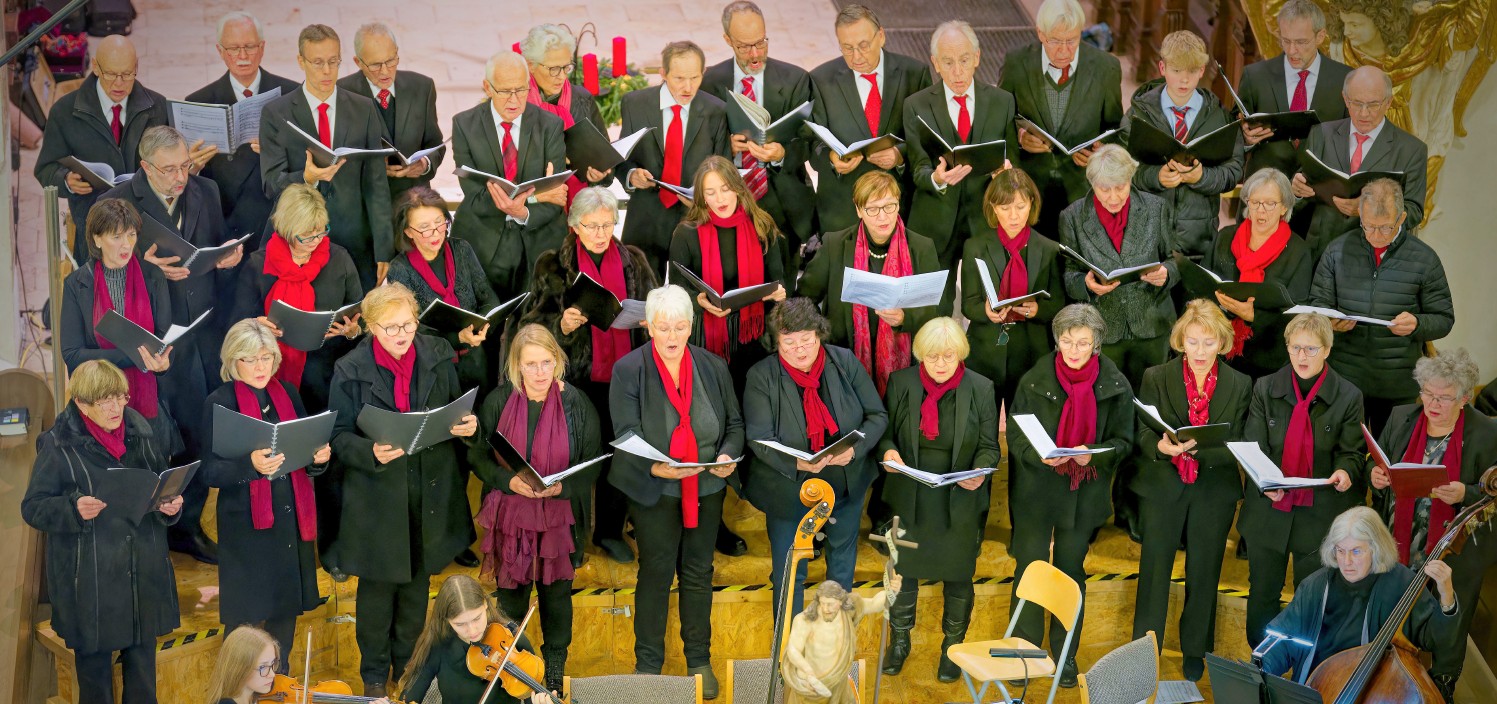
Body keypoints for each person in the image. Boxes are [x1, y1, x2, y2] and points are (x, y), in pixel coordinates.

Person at [325, 283, 480, 697]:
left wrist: (468, 427)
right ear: (371, 326)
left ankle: (409, 670)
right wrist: (370, 451)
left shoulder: (437, 354)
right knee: (376, 600)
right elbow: (338, 436)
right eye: (391, 327)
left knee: (416, 593)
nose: (402, 334)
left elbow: (456, 409)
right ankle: (375, 675)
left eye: (409, 324)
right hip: (377, 496)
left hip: (427, 491)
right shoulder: (349, 369)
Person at [21, 360, 184, 704]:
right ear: (80, 403)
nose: (115, 408)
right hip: (92, 584)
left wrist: (170, 505)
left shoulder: (142, 432)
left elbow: (157, 486)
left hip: (142, 574)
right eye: (103, 401)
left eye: (120, 397)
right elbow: (33, 506)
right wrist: (72, 508)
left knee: (143, 685)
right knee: (95, 689)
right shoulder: (56, 444)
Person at [609, 285, 743, 698]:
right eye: (663, 327)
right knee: (656, 572)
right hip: (654, 490)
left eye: (680, 327)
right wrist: (653, 465)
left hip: (706, 486)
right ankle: (648, 664)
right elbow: (625, 432)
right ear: (649, 327)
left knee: (699, 573)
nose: (671, 337)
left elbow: (735, 427)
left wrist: (725, 456)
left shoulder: (713, 366)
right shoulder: (629, 369)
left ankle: (698, 660)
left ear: (692, 326)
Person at [102, 128, 233, 535]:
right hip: (154, 336)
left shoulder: (206, 191)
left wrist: (225, 257)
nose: (181, 177)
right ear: (144, 167)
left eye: (186, 166)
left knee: (199, 428)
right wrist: (143, 265)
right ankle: (157, 523)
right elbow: (93, 267)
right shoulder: (116, 203)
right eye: (170, 169)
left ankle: (188, 525)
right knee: (160, 432)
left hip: (204, 329)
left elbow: (211, 244)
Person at [518, 186, 658, 565]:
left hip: (627, 376)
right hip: (576, 381)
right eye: (591, 226)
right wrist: (561, 324)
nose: (600, 233)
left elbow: (656, 308)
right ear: (574, 226)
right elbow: (531, 324)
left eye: (607, 224)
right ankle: (570, 537)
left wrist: (650, 321)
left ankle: (610, 531)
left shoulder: (635, 262)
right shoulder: (553, 266)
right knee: (578, 459)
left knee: (622, 456)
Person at [1007, 303, 1134, 687]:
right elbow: (1015, 435)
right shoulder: (1034, 379)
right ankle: (1022, 654)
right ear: (1057, 340)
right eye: (1066, 341)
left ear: (1096, 343)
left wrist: (1092, 453)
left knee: (1069, 573)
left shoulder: (1115, 385)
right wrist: (1039, 456)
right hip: (1037, 488)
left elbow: (1125, 442)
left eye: (1082, 342)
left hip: (1084, 490)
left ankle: (1065, 655)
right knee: (1029, 569)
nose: (1074, 350)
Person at [471, 324, 603, 692]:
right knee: (511, 597)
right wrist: (506, 480)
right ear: (517, 366)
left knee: (556, 597)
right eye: (531, 365)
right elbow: (478, 456)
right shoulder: (498, 401)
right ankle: (511, 667)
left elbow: (593, 462)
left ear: (558, 361)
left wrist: (563, 486)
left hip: (558, 515)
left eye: (547, 362)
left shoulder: (576, 403)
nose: (540, 372)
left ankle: (555, 671)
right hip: (512, 515)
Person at [1058, 144, 1176, 539]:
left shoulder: (1155, 208)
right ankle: (1093, 509)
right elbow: (1069, 273)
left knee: (1146, 422)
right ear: (1092, 185)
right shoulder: (1072, 216)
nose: (1113, 196)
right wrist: (1085, 285)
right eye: (1104, 189)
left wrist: (1167, 274)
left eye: (1120, 187)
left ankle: (1132, 508)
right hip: (1103, 332)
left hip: (1149, 327)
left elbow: (1176, 258)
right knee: (1101, 422)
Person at [1130, 301, 1252, 682]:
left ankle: (1195, 651)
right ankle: (1142, 653)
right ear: (1181, 341)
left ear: (1222, 344)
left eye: (1209, 343)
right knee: (1154, 572)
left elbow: (1241, 439)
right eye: (1193, 342)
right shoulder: (1156, 376)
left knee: (1205, 572)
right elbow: (1141, 429)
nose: (1200, 352)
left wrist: (1202, 447)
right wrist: (1160, 447)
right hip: (1164, 484)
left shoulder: (1240, 383)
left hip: (1213, 488)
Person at [742, 298, 888, 616]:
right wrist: (797, 462)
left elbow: (877, 416)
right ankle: (787, 655)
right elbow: (758, 437)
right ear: (776, 342)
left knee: (841, 572)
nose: (799, 349)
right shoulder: (761, 376)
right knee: (789, 573)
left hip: (844, 483)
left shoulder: (844, 362)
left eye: (806, 339)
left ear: (819, 334)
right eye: (789, 342)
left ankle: (835, 652)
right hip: (788, 487)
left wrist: (854, 450)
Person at [201, 320, 331, 669]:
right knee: (242, 622)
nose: (260, 367)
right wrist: (249, 466)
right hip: (246, 531)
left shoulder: (287, 393)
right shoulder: (220, 401)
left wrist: (318, 458)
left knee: (283, 615)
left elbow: (304, 450)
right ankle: (234, 689)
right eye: (249, 359)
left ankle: (279, 683)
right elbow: (208, 471)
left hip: (288, 524)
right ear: (233, 361)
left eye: (265, 358)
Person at [1369, 349, 1497, 701]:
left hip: (1454, 548)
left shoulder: (1488, 433)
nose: (1433, 403)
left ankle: (1441, 686)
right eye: (1427, 393)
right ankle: (1385, 681)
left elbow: (1493, 492)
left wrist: (1465, 492)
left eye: (1444, 397)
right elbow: (1379, 462)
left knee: (1449, 621)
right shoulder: (1401, 417)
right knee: (1390, 613)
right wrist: (1376, 476)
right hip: (1398, 539)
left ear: (1465, 397)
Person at [877, 317, 1001, 681]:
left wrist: (979, 472)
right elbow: (884, 436)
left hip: (959, 497)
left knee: (959, 575)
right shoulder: (901, 383)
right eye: (933, 357)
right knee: (904, 573)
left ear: (960, 354)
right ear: (920, 356)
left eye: (948, 356)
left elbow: (989, 447)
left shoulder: (981, 387)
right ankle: (899, 643)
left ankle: (952, 649)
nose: (941, 364)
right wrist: (889, 454)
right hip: (910, 494)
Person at [1239, 312, 1366, 647]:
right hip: (1269, 510)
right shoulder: (1266, 388)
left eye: (1311, 349)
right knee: (1263, 593)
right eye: (1295, 348)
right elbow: (1255, 446)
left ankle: (1304, 669)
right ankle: (1261, 663)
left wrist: (1345, 471)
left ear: (1327, 350)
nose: (1302, 357)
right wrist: (1268, 482)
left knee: (1310, 598)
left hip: (1318, 514)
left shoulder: (1349, 396)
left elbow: (1351, 453)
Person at [1309, 178, 1453, 437]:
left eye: (1385, 227)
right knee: (1345, 462)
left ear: (1402, 218)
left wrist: (1417, 325)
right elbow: (1318, 304)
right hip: (1344, 379)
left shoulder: (1425, 259)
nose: (1376, 236)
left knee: (1390, 467)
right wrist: (1329, 323)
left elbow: (1443, 318)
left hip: (1397, 384)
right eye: (1368, 226)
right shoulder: (1337, 251)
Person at [259, 24, 392, 291]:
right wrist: (306, 178)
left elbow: (376, 183)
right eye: (317, 62)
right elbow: (270, 183)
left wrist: (383, 248)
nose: (327, 71)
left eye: (333, 61)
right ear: (300, 61)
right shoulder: (276, 113)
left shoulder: (364, 108)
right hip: (299, 242)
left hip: (355, 239)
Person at [1258, 507, 1458, 684]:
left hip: (1375, 692)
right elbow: (1283, 639)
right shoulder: (1316, 586)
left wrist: (1447, 595)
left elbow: (1437, 640)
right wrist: (1260, 669)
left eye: (1356, 551)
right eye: (1340, 550)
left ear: (1375, 549)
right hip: (1317, 688)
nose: (1346, 561)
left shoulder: (1402, 583)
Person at [798, 171, 944, 395]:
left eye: (889, 206)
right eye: (872, 209)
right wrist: (821, 336)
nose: (882, 217)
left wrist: (905, 318)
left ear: (898, 204)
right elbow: (804, 300)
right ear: (858, 210)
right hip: (846, 360)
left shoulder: (921, 248)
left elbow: (936, 310)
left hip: (906, 368)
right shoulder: (835, 245)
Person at [34, 35, 176, 263]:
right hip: (95, 230)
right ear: (96, 67)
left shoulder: (157, 107)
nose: (119, 83)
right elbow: (45, 169)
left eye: (127, 74)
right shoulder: (65, 112)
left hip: (146, 227)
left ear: (137, 68)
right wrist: (67, 180)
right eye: (111, 74)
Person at [230, 183, 363, 415]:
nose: (315, 240)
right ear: (287, 229)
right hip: (271, 368)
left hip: (329, 368)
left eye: (322, 231)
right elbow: (236, 323)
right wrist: (256, 326)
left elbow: (361, 314)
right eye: (306, 236)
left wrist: (352, 330)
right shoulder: (258, 264)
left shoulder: (339, 258)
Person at [904, 20, 1017, 290]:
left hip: (985, 220)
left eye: (964, 60)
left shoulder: (1003, 102)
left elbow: (1013, 163)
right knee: (933, 309)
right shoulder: (915, 105)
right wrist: (937, 178)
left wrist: (1007, 175)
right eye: (948, 62)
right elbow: (918, 168)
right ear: (935, 63)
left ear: (977, 58)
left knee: (988, 305)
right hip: (935, 222)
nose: (957, 72)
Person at [703, 1, 817, 269]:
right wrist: (726, 147)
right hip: (730, 199)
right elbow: (699, 144)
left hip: (783, 199)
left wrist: (782, 153)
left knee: (783, 287)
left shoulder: (795, 79)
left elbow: (811, 141)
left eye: (761, 43)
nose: (755, 54)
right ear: (727, 40)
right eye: (744, 46)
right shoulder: (710, 82)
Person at [59, 199, 178, 450]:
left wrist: (163, 364)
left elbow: (162, 339)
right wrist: (134, 356)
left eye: (131, 234)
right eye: (116, 237)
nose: (126, 245)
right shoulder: (77, 284)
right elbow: (72, 354)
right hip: (98, 403)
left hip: (147, 404)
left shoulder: (153, 275)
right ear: (97, 239)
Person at [450, 50, 569, 299]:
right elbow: (475, 196)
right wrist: (536, 198)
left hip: (538, 239)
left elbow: (557, 196)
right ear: (487, 87)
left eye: (521, 89)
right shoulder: (465, 125)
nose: (514, 99)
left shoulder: (550, 126)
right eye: (505, 91)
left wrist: (524, 211)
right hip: (483, 238)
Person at [1000, 0, 1123, 237]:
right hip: (1028, 189)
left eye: (1072, 40)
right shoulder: (1016, 63)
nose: (1065, 50)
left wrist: (1102, 153)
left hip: (1082, 190)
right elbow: (1000, 117)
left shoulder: (1106, 68)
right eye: (1056, 41)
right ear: (1040, 34)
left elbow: (1117, 130)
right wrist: (1020, 135)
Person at [1117, 30, 1244, 260]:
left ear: (1202, 71)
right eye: (1176, 71)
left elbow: (1234, 171)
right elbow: (1122, 169)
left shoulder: (1218, 117)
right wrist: (1156, 177)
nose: (1184, 79)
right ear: (1163, 68)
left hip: (1198, 239)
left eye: (1192, 71)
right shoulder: (1139, 113)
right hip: (1147, 236)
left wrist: (1201, 177)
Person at [807, 4, 931, 233]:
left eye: (863, 46)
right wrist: (832, 158)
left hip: (900, 208)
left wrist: (899, 155)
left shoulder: (914, 73)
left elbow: (928, 136)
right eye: (847, 48)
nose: (856, 56)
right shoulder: (820, 80)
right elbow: (811, 142)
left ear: (881, 36)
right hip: (843, 212)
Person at [186, 12, 301, 249]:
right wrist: (193, 166)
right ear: (220, 51)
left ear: (262, 47)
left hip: (275, 220)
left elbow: (304, 160)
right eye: (233, 48)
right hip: (225, 225)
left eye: (249, 47)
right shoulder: (198, 101)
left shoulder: (291, 94)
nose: (242, 56)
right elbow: (189, 181)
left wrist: (277, 150)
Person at [669, 155, 789, 380]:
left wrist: (779, 293)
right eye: (710, 192)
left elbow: (778, 280)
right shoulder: (686, 234)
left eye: (725, 189)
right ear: (701, 197)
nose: (720, 198)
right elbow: (676, 290)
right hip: (704, 335)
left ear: (738, 189)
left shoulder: (762, 225)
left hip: (753, 334)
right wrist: (698, 300)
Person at [618, 41, 731, 275]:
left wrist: (704, 198)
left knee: (691, 300)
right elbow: (621, 157)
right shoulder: (635, 104)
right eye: (679, 78)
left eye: (695, 78)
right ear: (663, 73)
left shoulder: (716, 111)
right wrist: (631, 174)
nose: (688, 87)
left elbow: (723, 168)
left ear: (704, 73)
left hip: (693, 220)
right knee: (642, 298)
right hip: (646, 218)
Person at [1292, 66, 1428, 259]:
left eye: (1373, 105)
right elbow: (1300, 192)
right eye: (1356, 103)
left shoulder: (1411, 150)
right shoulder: (1321, 134)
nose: (1364, 113)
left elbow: (1414, 211)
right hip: (1320, 254)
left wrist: (1369, 210)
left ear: (1388, 102)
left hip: (1375, 258)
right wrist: (1296, 191)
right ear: (1345, 99)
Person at [959, 168, 1064, 405]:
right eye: (1005, 208)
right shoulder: (974, 246)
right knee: (982, 428)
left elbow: (1057, 302)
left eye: (1020, 206)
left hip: (1030, 353)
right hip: (985, 350)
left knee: (1024, 427)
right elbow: (969, 303)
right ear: (994, 208)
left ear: (1032, 204)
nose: (1013, 216)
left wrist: (1038, 310)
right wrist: (985, 311)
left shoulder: (1048, 248)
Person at [384, 186, 500, 393]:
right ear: (408, 231)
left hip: (476, 355)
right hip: (433, 367)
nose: (435, 233)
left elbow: (487, 294)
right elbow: (410, 329)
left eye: (440, 223)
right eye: (425, 227)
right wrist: (458, 339)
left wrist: (479, 326)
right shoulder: (400, 269)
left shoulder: (461, 249)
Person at [1206, 168, 1314, 380]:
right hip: (1218, 347)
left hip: (1268, 359)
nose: (1261, 210)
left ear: (1284, 206)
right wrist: (1220, 305)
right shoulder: (1226, 237)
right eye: (1255, 202)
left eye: (1270, 203)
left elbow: (1298, 313)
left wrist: (1255, 317)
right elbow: (1202, 285)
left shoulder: (1298, 251)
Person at [1234, 0, 1352, 179]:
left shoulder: (1345, 79)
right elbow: (1231, 132)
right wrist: (1245, 139)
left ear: (1320, 36)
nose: (1292, 50)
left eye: (1301, 42)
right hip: (1264, 193)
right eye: (1286, 41)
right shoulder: (1255, 76)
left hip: (1321, 196)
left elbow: (1355, 140)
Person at [398, 574, 554, 704]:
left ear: (485, 604)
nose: (472, 631)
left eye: (477, 618)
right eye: (460, 624)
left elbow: (530, 698)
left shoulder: (512, 639)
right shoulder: (437, 645)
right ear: (446, 620)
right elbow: (410, 697)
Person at [338, 22, 445, 203]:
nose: (385, 71)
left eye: (390, 60)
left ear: (397, 52)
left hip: (413, 202)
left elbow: (435, 144)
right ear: (358, 62)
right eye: (375, 65)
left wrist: (424, 164)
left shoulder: (422, 87)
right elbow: (337, 157)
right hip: (364, 204)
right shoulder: (341, 93)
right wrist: (375, 168)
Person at [521, 24, 612, 194]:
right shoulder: (516, 103)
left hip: (578, 203)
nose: (562, 76)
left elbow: (605, 156)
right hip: (532, 204)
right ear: (530, 65)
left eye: (566, 67)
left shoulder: (582, 99)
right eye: (554, 69)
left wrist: (599, 175)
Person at [782, 579, 902, 704]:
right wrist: (807, 671)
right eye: (822, 603)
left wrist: (891, 592)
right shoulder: (804, 620)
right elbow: (793, 650)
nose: (826, 609)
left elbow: (874, 604)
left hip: (838, 684)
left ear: (840, 602)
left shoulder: (848, 611)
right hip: (811, 689)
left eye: (830, 604)